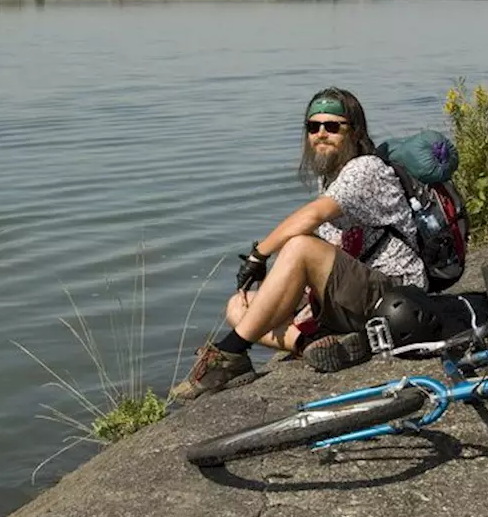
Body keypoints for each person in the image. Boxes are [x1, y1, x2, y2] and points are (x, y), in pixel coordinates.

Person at [170, 86, 428, 401]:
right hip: (351, 295)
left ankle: (230, 355)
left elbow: (310, 219)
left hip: (396, 296)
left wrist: (258, 255)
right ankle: (316, 345)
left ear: (355, 132)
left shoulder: (365, 169)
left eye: (332, 127)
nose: (321, 134)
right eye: (313, 127)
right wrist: (284, 285)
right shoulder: (332, 175)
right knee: (240, 307)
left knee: (299, 245)